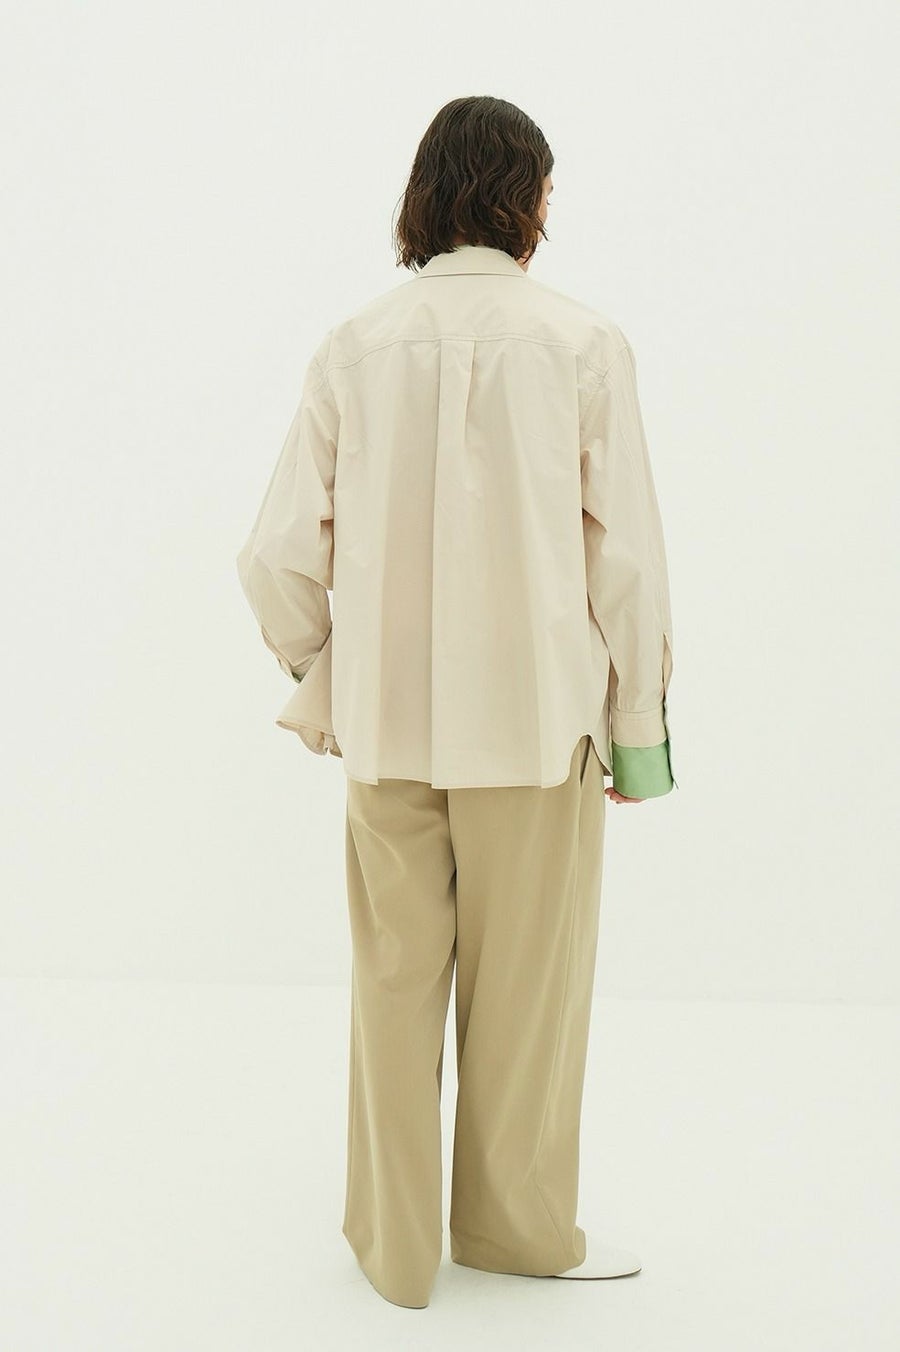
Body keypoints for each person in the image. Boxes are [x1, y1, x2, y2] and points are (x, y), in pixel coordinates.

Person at [236, 95, 677, 1309]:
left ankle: (392, 1246)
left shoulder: (354, 345)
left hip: (388, 729)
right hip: (539, 731)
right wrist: (638, 729)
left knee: (391, 983)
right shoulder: (585, 344)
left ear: (424, 196)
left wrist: (325, 668)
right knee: (527, 994)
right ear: (526, 198)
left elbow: (275, 553)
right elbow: (628, 560)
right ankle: (515, 1229)